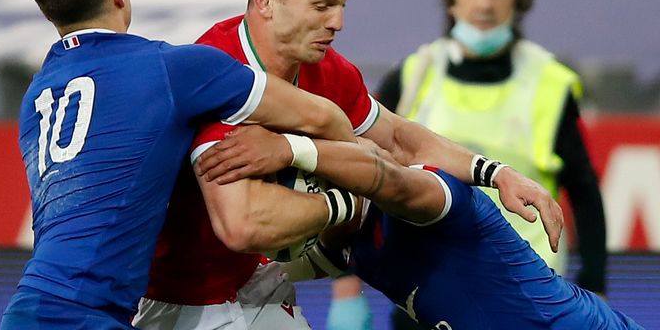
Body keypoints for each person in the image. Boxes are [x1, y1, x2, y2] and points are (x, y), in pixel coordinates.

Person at [134, 0, 563, 330]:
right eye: (322, 5)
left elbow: (397, 138)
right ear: (264, 2)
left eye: (343, 4)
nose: (338, 22)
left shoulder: (328, 70)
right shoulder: (216, 74)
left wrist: (495, 172)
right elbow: (243, 225)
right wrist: (352, 201)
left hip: (254, 286)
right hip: (178, 303)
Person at [0, 0, 360, 330]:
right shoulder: (173, 69)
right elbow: (322, 115)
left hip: (27, 309)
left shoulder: (37, 98)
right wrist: (350, 193)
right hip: (87, 316)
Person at [370, 0, 607, 329]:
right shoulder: (413, 76)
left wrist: (596, 284)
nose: (485, 2)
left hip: (525, 290)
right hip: (424, 289)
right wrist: (346, 289)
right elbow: (367, 170)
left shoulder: (550, 82)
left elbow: (584, 191)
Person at [199, 125, 643, 330]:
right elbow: (253, 267)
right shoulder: (346, 244)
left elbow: (387, 177)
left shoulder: (433, 197)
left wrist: (289, 149)